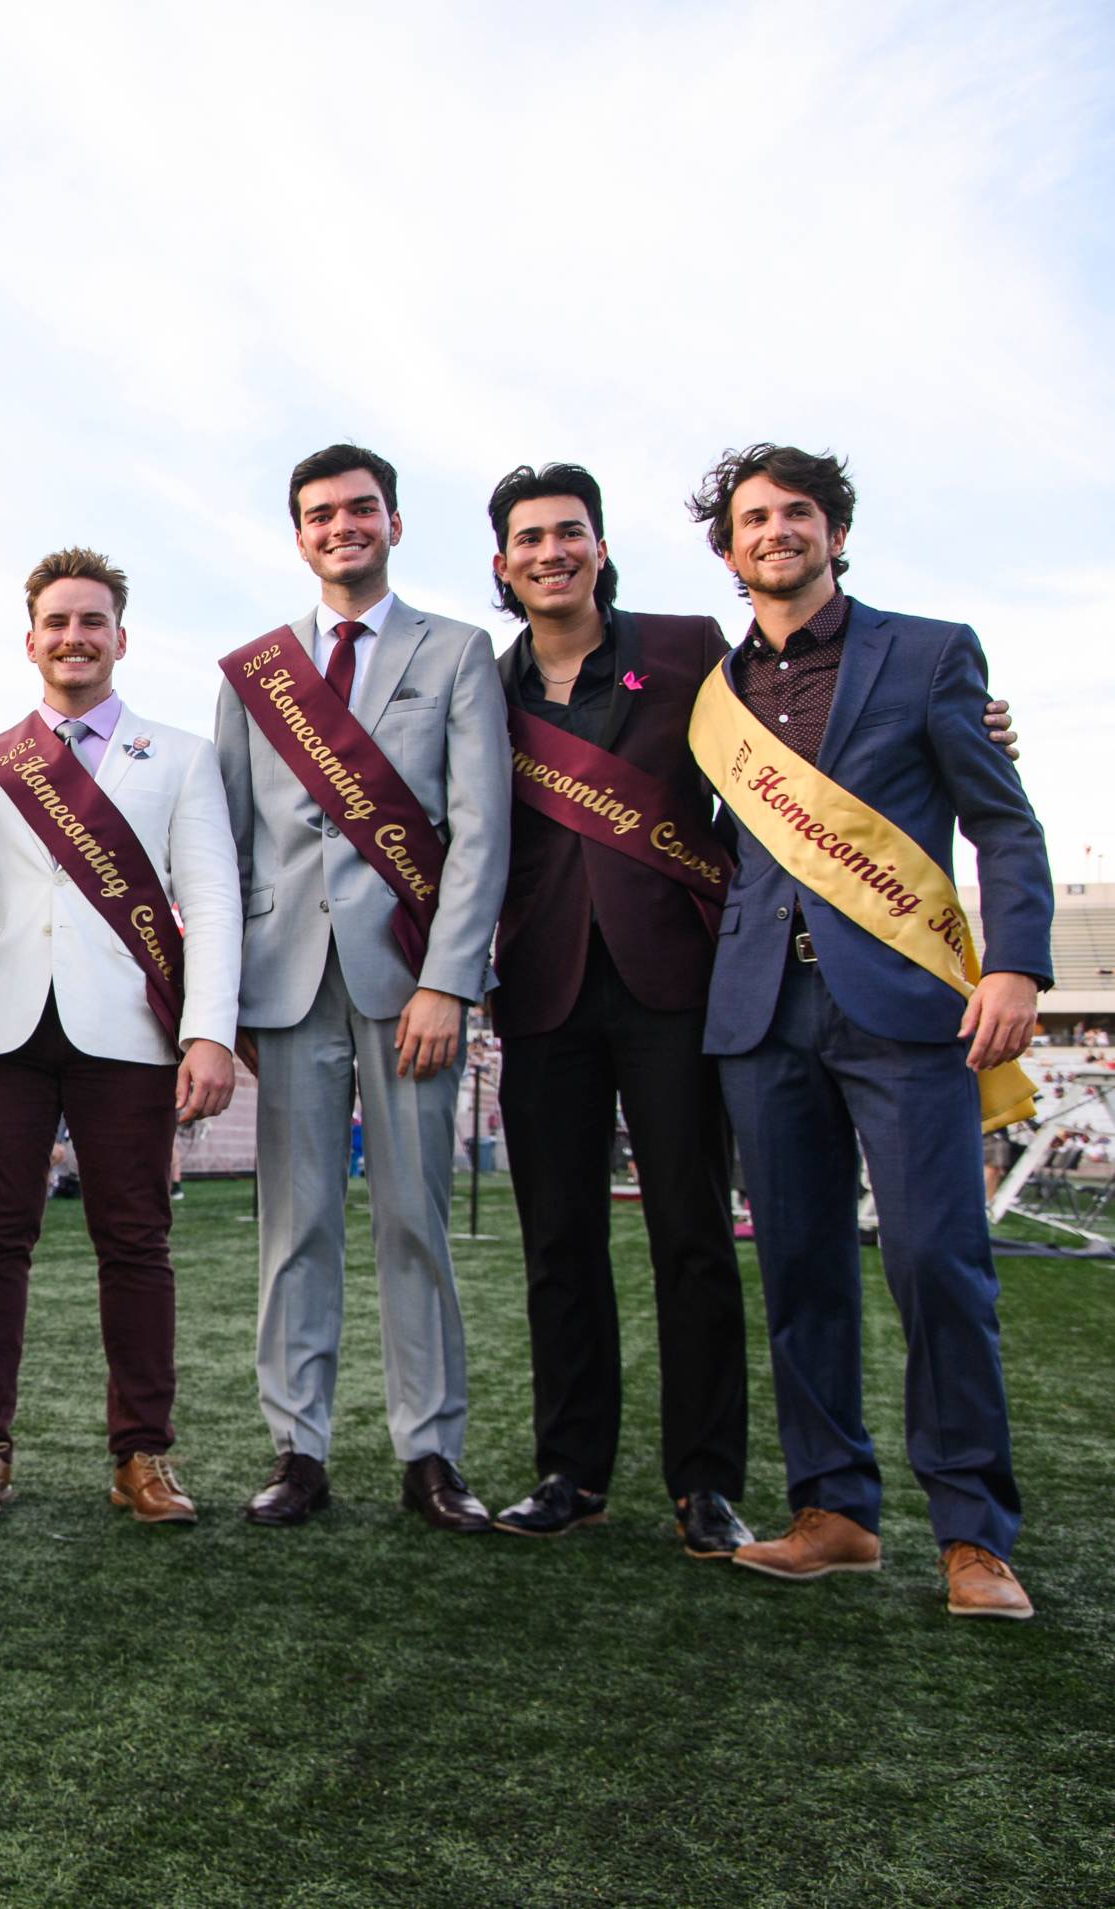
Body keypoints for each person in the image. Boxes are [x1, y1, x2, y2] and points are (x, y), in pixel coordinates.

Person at [686, 444, 1050, 1619]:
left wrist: (1019, 965)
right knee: (799, 1270)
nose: (776, 530)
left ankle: (973, 1535)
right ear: (727, 548)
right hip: (759, 1010)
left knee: (936, 1262)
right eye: (753, 517)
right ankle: (832, 1510)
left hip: (903, 1009)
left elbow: (1005, 822)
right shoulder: (714, 693)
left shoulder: (931, 651)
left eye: (798, 512)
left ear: (835, 533)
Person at [0, 547, 242, 1522]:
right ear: (30, 639)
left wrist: (208, 1031)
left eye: (91, 621)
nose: (74, 637)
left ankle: (141, 1456)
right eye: (57, 622)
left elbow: (210, 905)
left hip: (131, 1030)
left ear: (120, 638)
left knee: (135, 1239)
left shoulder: (179, 757)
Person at [213, 443, 509, 1534]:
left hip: (407, 982)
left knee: (411, 1222)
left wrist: (449, 980)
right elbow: (230, 843)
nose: (341, 526)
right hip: (285, 984)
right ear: (298, 535)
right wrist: (230, 999)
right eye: (320, 513)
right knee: (291, 1225)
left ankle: (429, 1451)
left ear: (392, 522)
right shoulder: (253, 673)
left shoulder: (457, 650)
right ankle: (298, 1446)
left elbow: (479, 829)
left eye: (359, 509)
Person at [480, 463, 754, 1556]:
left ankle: (705, 1483)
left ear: (598, 547)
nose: (551, 552)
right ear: (501, 566)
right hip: (543, 990)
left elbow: (785, 761)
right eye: (529, 539)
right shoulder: (483, 688)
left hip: (673, 987)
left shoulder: (689, 649)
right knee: (558, 1239)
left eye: (570, 533)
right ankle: (570, 1470)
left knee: (691, 1234)